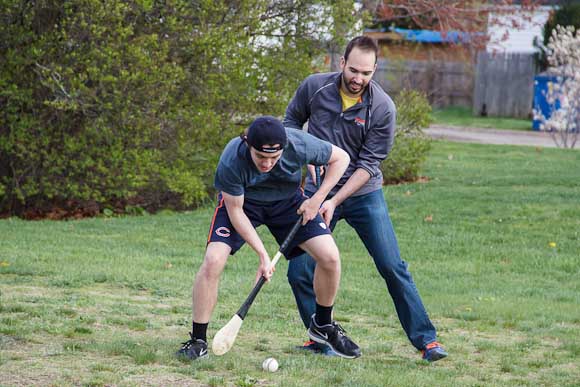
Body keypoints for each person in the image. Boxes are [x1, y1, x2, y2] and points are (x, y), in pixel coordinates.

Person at [284, 36, 448, 362]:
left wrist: (333, 200)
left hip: (362, 195)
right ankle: (321, 337)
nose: (358, 78)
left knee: (391, 265)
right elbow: (289, 123)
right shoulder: (314, 87)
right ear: (341, 63)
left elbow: (368, 165)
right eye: (354, 70)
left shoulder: (383, 108)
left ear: (375, 70)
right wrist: (308, 160)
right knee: (299, 269)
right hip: (316, 190)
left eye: (367, 73)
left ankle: (426, 341)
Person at [177, 116, 361, 360]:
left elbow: (341, 158)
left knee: (330, 257)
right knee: (213, 260)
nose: (267, 163)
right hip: (245, 205)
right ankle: (198, 340)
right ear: (248, 145)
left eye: (274, 158)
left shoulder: (297, 143)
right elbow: (235, 211)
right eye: (261, 157)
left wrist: (316, 200)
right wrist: (263, 255)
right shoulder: (233, 158)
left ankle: (323, 326)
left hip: (287, 203)